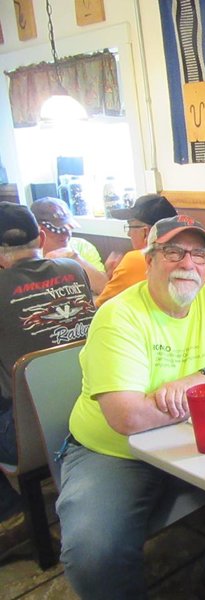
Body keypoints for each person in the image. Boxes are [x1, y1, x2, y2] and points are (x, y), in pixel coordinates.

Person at [55, 215, 205, 599]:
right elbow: (129, 416)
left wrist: (201, 380)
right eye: (173, 251)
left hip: (199, 437)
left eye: (199, 254)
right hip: (115, 453)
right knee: (94, 554)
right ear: (149, 259)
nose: (188, 263)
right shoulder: (118, 317)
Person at [0, 202, 95, 559]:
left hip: (29, 435)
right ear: (41, 236)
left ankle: (11, 516)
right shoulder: (74, 270)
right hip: (90, 408)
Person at [94, 193, 178, 306]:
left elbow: (101, 306)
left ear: (146, 232)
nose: (129, 234)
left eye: (130, 226)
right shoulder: (196, 257)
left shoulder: (136, 259)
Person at [30, 197, 108, 295]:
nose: (66, 234)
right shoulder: (29, 254)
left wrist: (75, 257)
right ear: (39, 230)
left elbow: (105, 289)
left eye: (68, 228)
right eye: (58, 230)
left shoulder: (83, 246)